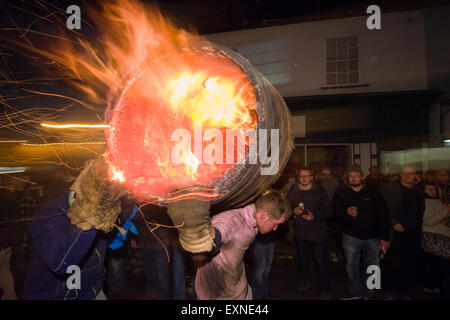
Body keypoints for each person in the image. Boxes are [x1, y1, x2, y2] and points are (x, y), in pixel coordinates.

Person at [23, 156, 130, 300]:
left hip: (94, 292)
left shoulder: (107, 206)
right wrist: (90, 220)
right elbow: (60, 263)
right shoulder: (50, 212)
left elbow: (117, 239)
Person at [194, 190, 291, 300]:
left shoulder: (254, 219)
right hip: (219, 295)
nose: (275, 228)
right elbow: (211, 238)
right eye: (275, 224)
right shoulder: (232, 222)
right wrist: (203, 244)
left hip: (240, 289)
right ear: (264, 215)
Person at [333, 164, 391, 300]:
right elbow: (333, 211)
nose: (353, 178)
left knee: (373, 266)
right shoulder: (341, 191)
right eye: (350, 176)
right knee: (351, 266)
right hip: (350, 236)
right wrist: (345, 211)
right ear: (347, 178)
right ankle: (354, 292)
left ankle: (370, 294)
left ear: (362, 177)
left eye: (356, 175)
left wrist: (385, 238)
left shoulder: (373, 192)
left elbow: (383, 215)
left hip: (373, 237)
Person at [379, 165, 425, 299]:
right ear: (400, 174)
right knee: (391, 263)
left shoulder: (418, 190)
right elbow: (381, 208)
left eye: (410, 173)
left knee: (409, 264)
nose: (407, 176)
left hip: (413, 233)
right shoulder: (390, 188)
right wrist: (393, 223)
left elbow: (420, 211)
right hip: (395, 234)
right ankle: (388, 291)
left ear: (415, 175)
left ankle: (404, 291)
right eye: (404, 173)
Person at [286, 166, 333, 299]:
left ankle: (324, 289)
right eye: (301, 176)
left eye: (307, 176)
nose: (304, 179)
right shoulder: (293, 192)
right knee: (303, 261)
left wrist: (315, 216)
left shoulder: (320, 192)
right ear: (298, 177)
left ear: (312, 177)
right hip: (301, 234)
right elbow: (286, 209)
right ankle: (305, 282)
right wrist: (292, 211)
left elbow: (329, 211)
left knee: (320, 262)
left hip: (318, 234)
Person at [134, 204, 188, 300]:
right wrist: (135, 237)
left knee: (163, 272)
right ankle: (153, 291)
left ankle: (163, 296)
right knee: (149, 270)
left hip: (161, 243)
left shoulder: (158, 202)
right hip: (145, 242)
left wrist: (167, 238)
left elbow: (165, 218)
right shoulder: (140, 202)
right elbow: (135, 220)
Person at [421, 182, 450, 299]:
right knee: (446, 267)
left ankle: (432, 286)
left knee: (437, 267)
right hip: (433, 237)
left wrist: (444, 218)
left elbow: (444, 220)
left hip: (444, 236)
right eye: (429, 190)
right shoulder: (425, 202)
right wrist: (444, 212)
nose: (433, 192)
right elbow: (428, 221)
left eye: (434, 189)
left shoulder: (439, 201)